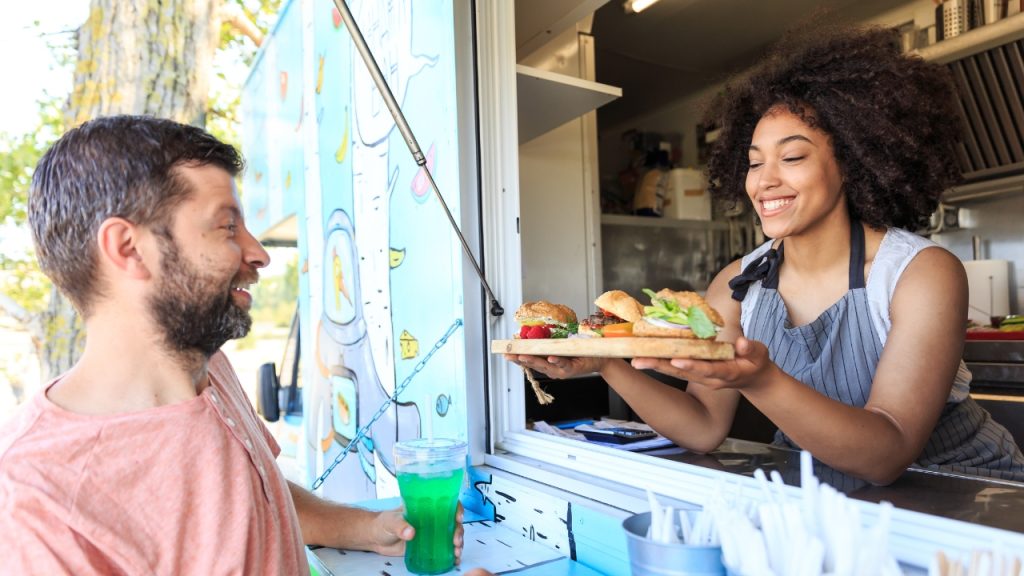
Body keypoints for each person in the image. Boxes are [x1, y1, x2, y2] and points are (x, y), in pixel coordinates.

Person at [509, 24, 1024, 487]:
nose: (765, 181)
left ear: (854, 161)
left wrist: (761, 378)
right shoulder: (739, 285)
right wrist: (610, 362)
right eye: (754, 163)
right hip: (830, 505)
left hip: (967, 496)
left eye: (793, 157)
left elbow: (887, 453)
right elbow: (703, 427)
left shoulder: (918, 271)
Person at [0, 115, 492, 575]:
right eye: (227, 227)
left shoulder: (208, 366)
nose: (258, 255)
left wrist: (371, 529)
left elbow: (257, 495)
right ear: (129, 249)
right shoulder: (36, 504)